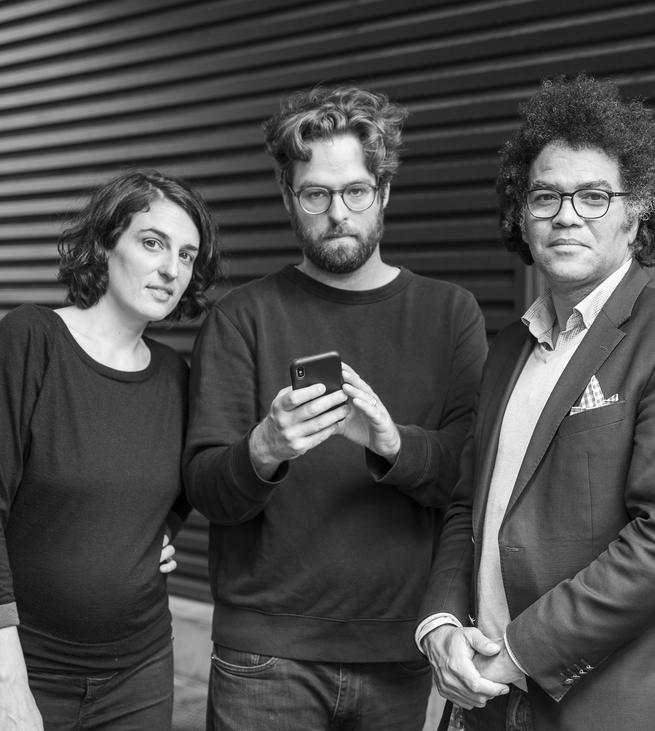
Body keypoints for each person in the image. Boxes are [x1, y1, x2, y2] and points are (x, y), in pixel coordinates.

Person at [417, 73, 655, 730]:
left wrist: (517, 651)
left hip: (620, 707)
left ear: (636, 211)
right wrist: (442, 622)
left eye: (594, 196)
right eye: (546, 195)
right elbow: (467, 504)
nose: (566, 215)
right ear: (523, 215)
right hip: (490, 702)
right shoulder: (509, 348)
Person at [184, 85, 488, 730]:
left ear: (384, 192)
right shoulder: (241, 318)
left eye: (355, 191)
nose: (337, 213)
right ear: (288, 198)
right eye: (315, 195)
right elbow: (208, 492)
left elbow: (468, 479)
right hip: (266, 654)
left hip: (400, 649)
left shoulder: (450, 313)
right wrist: (265, 448)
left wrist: (390, 441)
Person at [0, 168, 221, 730]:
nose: (172, 269)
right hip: (29, 665)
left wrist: (155, 533)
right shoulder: (30, 340)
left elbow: (185, 485)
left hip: (140, 673)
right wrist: (11, 685)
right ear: (105, 244)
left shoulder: (175, 376)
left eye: (187, 255)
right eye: (153, 243)